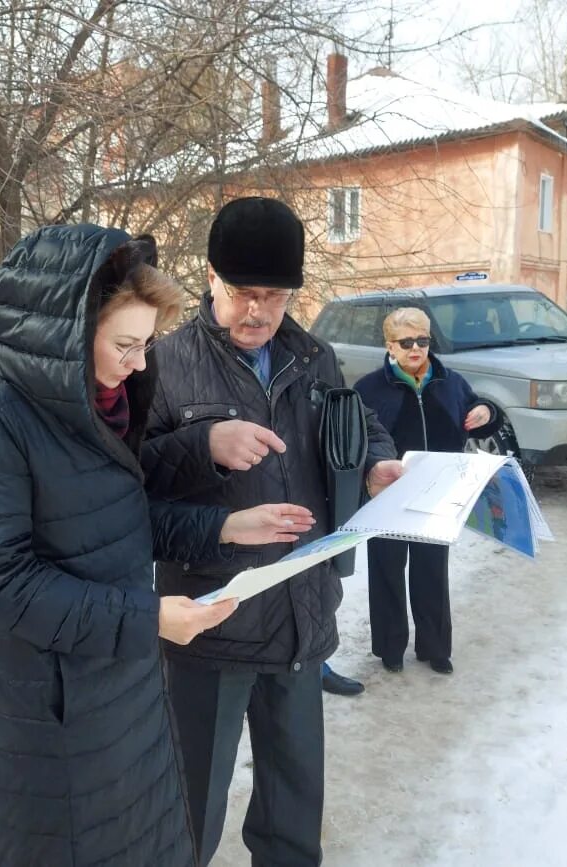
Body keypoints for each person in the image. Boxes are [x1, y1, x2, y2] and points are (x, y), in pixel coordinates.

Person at [0, 224, 316, 867]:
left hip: (119, 685)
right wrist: (150, 619)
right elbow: (5, 588)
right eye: (126, 344)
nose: (141, 363)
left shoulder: (98, 406)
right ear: (63, 335)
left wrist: (221, 527)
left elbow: (117, 519)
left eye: (145, 344)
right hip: (50, 711)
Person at [140, 196, 402, 866]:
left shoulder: (312, 356)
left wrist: (376, 462)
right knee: (187, 810)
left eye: (274, 296)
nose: (257, 312)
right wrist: (203, 443)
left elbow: (353, 424)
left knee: (292, 812)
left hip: (300, 618)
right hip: (212, 625)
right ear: (208, 277)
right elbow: (131, 490)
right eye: (242, 293)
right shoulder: (162, 363)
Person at [354, 306, 502, 675]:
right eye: (406, 342)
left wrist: (485, 411)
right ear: (390, 346)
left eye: (422, 340)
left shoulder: (450, 381)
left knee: (432, 570)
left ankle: (435, 648)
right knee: (387, 568)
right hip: (388, 493)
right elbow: (356, 438)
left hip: (439, 493)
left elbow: (478, 415)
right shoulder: (369, 388)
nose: (416, 348)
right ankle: (389, 649)